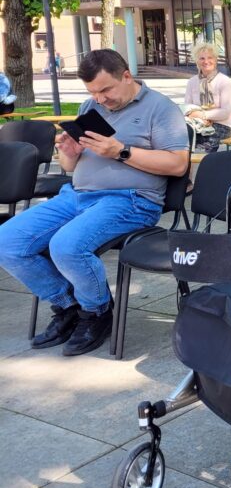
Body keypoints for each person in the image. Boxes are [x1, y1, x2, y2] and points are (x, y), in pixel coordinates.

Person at [0, 49, 189, 356]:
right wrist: (69, 153)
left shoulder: (161, 108)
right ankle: (69, 305)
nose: (100, 99)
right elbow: (70, 166)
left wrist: (120, 151)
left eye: (105, 90)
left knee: (66, 246)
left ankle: (97, 311)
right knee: (7, 241)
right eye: (93, 92)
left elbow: (178, 165)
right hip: (76, 195)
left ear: (126, 76)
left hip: (131, 200)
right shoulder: (90, 106)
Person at [184, 41, 231, 152]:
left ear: (215, 60)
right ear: (197, 61)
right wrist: (199, 119)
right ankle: (185, 163)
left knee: (206, 140)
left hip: (223, 124)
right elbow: (187, 108)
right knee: (181, 137)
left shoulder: (224, 81)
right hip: (198, 124)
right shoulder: (192, 82)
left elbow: (226, 111)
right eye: (202, 58)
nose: (206, 61)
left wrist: (204, 115)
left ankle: (208, 162)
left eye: (210, 58)